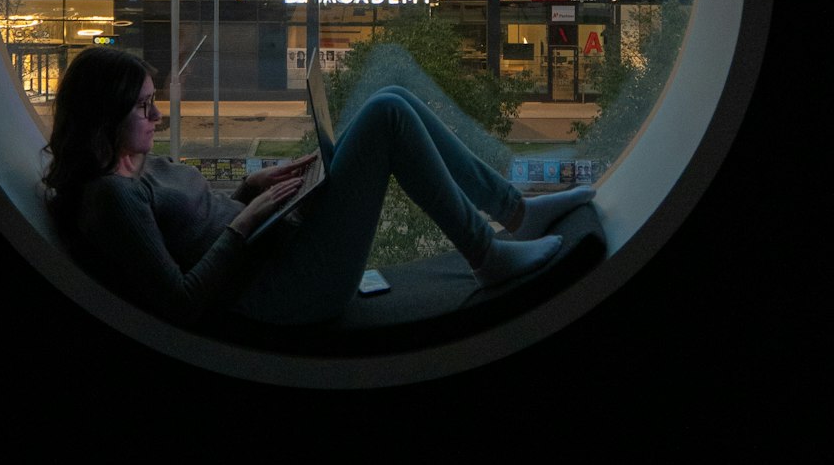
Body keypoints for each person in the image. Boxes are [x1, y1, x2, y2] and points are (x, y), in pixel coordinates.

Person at [43, 47, 595, 328]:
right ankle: (487, 253)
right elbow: (181, 302)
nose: (158, 115)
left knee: (393, 99)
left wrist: (251, 188)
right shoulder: (112, 198)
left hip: (282, 247)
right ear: (103, 117)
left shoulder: (132, 165)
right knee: (386, 116)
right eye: (144, 107)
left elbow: (195, 222)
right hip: (286, 291)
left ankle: (517, 213)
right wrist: (248, 219)